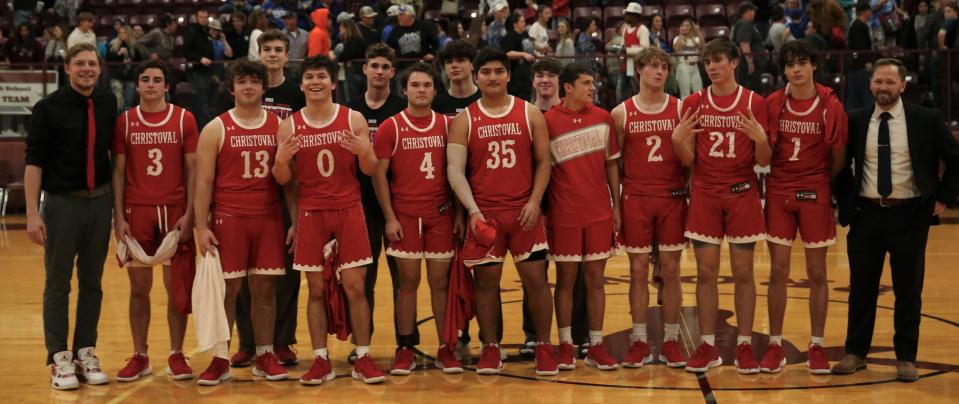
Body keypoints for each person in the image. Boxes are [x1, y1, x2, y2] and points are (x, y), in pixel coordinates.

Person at [832, 58, 959, 382]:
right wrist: (847, 204)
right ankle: (855, 352)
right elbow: (839, 166)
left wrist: (943, 197)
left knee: (908, 291)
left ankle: (906, 357)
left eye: (890, 82)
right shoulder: (856, 120)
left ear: (903, 85)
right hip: (866, 216)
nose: (883, 88)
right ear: (870, 84)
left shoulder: (926, 119)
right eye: (878, 82)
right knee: (861, 289)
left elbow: (955, 160)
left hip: (909, 216)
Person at [271, 55, 388, 385]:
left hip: (349, 208)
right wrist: (280, 159)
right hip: (311, 211)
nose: (315, 82)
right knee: (316, 289)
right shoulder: (289, 125)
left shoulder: (353, 118)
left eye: (321, 76)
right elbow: (283, 179)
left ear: (333, 82)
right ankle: (320, 360)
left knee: (355, 287)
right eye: (309, 77)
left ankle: (362, 356)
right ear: (302, 83)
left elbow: (368, 170)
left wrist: (365, 151)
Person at [446, 47, 558, 376]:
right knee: (486, 282)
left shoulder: (529, 113)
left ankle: (544, 346)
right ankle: (491, 347)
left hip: (524, 210)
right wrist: (473, 211)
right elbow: (455, 171)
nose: (492, 77)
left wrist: (535, 201)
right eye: (486, 72)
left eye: (498, 71)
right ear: (476, 77)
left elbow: (543, 163)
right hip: (486, 213)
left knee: (536, 280)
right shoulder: (465, 118)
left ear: (508, 75)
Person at [672, 37, 770, 374]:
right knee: (706, 273)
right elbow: (689, 161)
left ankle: (744, 345)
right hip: (705, 195)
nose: (712, 67)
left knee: (744, 273)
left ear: (734, 62)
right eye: (708, 61)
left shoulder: (755, 103)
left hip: (742, 193)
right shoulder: (694, 102)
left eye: (718, 60)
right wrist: (677, 141)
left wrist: (761, 140)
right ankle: (708, 345)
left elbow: (764, 160)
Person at [26, 43, 116, 390]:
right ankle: (59, 357)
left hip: (100, 203)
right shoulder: (47, 108)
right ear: (67, 68)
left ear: (99, 67)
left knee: (92, 282)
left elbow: (114, 156)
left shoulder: (109, 102)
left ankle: (85, 351)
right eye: (79, 63)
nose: (87, 69)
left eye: (92, 63)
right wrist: (33, 214)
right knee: (58, 283)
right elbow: (34, 162)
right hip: (63, 204)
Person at [193, 60, 288, 385]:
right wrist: (201, 227)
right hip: (228, 218)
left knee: (264, 288)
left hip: (268, 217)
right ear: (231, 88)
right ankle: (220, 358)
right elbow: (203, 182)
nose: (248, 87)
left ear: (264, 87)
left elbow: (290, 181)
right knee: (228, 289)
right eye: (242, 81)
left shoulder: (280, 125)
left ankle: (265, 353)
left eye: (254, 81)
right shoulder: (215, 128)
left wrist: (296, 220)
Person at [370, 62, 464, 375]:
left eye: (426, 85)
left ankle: (446, 347)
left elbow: (458, 173)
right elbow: (379, 176)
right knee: (407, 286)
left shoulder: (448, 125)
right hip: (405, 217)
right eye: (415, 85)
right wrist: (389, 217)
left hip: (440, 216)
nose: (421, 90)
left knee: (440, 284)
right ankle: (405, 348)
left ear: (435, 91)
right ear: (405, 90)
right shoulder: (390, 127)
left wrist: (460, 214)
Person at [761, 40, 848, 375]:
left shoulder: (829, 105)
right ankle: (774, 344)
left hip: (815, 189)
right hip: (780, 190)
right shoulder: (773, 103)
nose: (795, 69)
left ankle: (817, 344)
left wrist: (819, 181)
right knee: (778, 272)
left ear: (814, 66)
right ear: (784, 70)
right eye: (789, 64)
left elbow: (838, 157)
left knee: (817, 273)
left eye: (801, 63)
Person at [111, 60, 199, 382]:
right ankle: (140, 355)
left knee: (176, 289)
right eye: (145, 79)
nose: (150, 84)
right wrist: (118, 217)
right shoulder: (125, 122)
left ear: (166, 86)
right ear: (137, 85)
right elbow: (118, 172)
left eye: (157, 80)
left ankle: (176, 352)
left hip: (174, 211)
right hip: (137, 211)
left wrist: (191, 213)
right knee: (139, 290)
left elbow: (193, 169)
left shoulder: (184, 119)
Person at [225, 29, 306, 368]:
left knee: (287, 273)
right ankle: (248, 342)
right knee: (245, 276)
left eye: (279, 50)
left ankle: (283, 341)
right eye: (267, 49)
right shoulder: (246, 90)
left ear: (287, 56)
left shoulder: (296, 92)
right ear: (259, 53)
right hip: (247, 194)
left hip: (286, 189)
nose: (273, 54)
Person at [612, 47, 689, 370]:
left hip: (672, 196)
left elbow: (691, 159)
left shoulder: (681, 108)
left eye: (663, 67)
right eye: (652, 66)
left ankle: (671, 340)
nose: (659, 72)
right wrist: (615, 204)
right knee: (638, 271)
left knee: (671, 271)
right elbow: (613, 164)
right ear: (639, 70)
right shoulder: (621, 113)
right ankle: (639, 340)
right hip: (635, 197)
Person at [545, 63, 621, 371]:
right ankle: (565, 344)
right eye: (586, 83)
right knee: (565, 280)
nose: (592, 87)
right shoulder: (547, 121)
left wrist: (617, 206)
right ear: (568, 87)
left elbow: (612, 165)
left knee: (595, 280)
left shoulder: (604, 118)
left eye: (593, 82)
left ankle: (596, 344)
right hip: (563, 214)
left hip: (599, 213)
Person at [348, 43, 410, 362]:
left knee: (404, 281)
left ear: (392, 72)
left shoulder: (402, 108)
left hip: (397, 207)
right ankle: (362, 346)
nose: (379, 71)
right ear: (365, 70)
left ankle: (405, 345)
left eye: (385, 66)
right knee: (363, 282)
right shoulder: (349, 110)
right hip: (358, 208)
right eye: (374, 65)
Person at [183, 9, 215, 128]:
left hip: (207, 71)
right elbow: (186, 51)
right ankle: (205, 126)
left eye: (206, 17)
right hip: (195, 70)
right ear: (196, 18)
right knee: (200, 98)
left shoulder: (207, 32)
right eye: (201, 17)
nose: (204, 19)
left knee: (206, 98)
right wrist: (200, 58)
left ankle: (204, 124)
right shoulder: (192, 31)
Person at [433, 39, 481, 117]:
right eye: (449, 62)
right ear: (444, 67)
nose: (454, 65)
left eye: (460, 60)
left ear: (473, 64)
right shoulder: (436, 105)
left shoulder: (486, 99)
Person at [385, 4, 437, 73]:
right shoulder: (396, 29)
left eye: (401, 15)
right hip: (402, 66)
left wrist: (432, 53)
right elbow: (388, 45)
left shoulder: (423, 26)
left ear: (410, 16)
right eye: (398, 15)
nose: (398, 17)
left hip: (422, 65)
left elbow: (435, 43)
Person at [732, 1, 767, 92]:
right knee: (752, 90)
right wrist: (750, 64)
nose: (755, 13)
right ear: (748, 11)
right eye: (754, 10)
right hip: (747, 64)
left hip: (746, 63)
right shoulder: (744, 24)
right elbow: (744, 44)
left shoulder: (742, 23)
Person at [847, 2, 875, 111]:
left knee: (856, 96)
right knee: (863, 94)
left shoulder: (858, 25)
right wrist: (866, 61)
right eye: (870, 10)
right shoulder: (858, 26)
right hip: (859, 67)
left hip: (857, 67)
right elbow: (860, 47)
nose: (871, 13)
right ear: (865, 11)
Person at [106, 25, 141, 111]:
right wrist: (118, 54)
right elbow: (108, 60)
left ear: (128, 34)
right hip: (116, 76)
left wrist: (128, 53)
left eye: (124, 32)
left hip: (129, 77)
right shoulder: (113, 44)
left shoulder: (134, 45)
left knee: (128, 103)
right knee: (118, 103)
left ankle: (126, 122)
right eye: (120, 33)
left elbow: (139, 59)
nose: (121, 34)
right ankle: (117, 121)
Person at [501, 13, 535, 101]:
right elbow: (507, 53)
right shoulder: (509, 37)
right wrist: (523, 54)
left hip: (526, 75)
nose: (525, 24)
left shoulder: (525, 35)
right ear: (515, 24)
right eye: (522, 22)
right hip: (515, 77)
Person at [622, 2, 651, 94]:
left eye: (628, 15)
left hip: (637, 65)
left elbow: (645, 49)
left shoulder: (642, 29)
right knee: (624, 91)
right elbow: (623, 44)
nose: (626, 17)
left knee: (637, 89)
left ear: (636, 17)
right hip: (625, 64)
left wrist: (627, 50)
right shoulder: (625, 28)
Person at [672, 19, 704, 99]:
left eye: (687, 25)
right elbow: (677, 49)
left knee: (699, 93)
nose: (685, 27)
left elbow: (703, 47)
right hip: (683, 67)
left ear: (691, 27)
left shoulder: (695, 39)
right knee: (685, 94)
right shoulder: (677, 38)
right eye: (683, 26)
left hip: (695, 67)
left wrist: (699, 32)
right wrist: (681, 34)